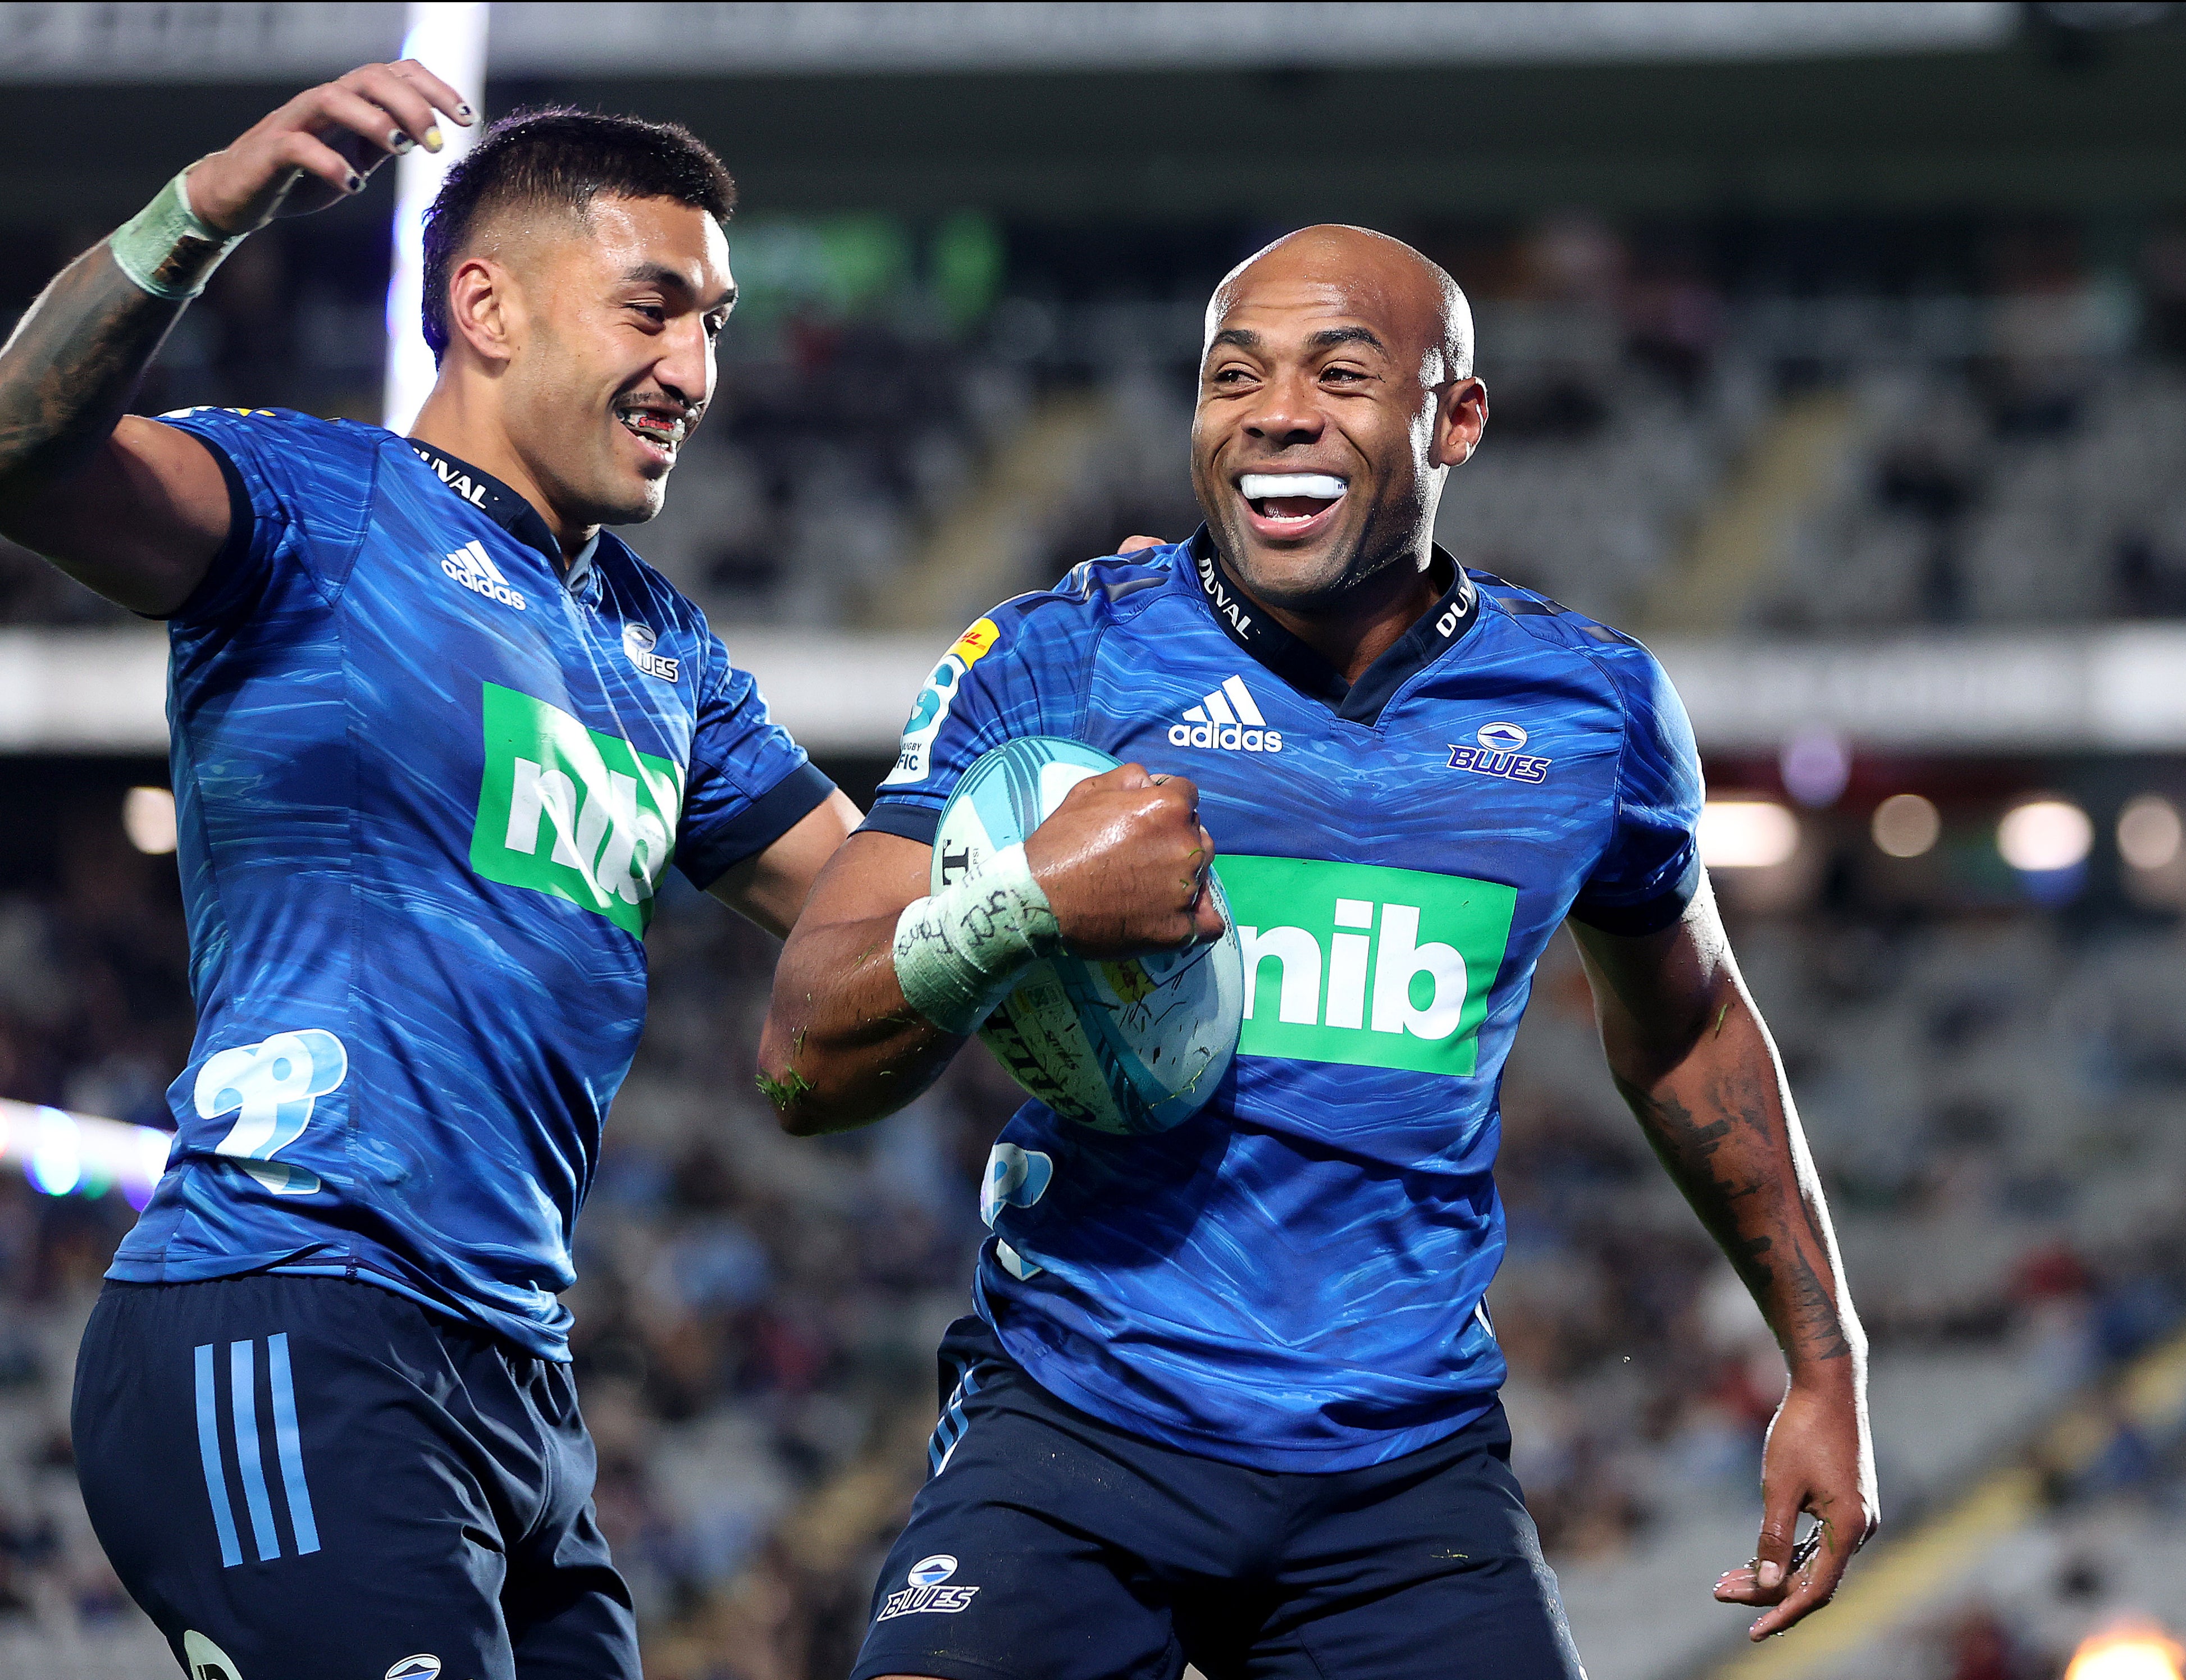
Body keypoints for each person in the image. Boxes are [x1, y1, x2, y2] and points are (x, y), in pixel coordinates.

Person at [759, 224, 1879, 1680]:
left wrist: (1823, 1358)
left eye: (1339, 372)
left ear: (1456, 417)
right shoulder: (1054, 660)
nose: (1276, 410)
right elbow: (799, 1059)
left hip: (1401, 1480)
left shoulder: (1585, 708)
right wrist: (1024, 903)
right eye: (1234, 375)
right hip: (1075, 1429)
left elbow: (1685, 1029)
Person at [0, 62, 853, 1678]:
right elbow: (20, 450)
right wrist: (200, 211)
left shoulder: (663, 651)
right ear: (487, 304)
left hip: (518, 1392)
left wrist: (1048, 812)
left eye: (714, 323)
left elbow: (871, 909)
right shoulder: (316, 506)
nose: (697, 370)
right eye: (654, 310)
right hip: (284, 1312)